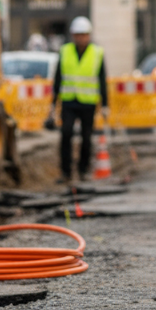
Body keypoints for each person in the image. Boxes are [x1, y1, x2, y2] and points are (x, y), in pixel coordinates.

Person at [49, 16, 108, 184]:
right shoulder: (65, 51)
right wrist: (54, 103)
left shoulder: (97, 53)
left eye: (84, 35)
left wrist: (104, 105)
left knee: (86, 137)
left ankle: (83, 170)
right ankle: (66, 172)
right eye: (78, 35)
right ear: (73, 35)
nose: (81, 38)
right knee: (66, 134)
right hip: (69, 101)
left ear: (88, 35)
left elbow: (102, 78)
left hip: (88, 102)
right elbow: (58, 78)